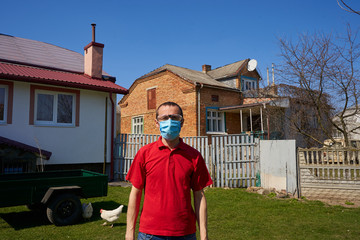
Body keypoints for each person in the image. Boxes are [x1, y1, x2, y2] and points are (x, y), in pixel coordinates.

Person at [125, 101, 213, 240]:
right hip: (150, 234)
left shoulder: (194, 156)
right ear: (156, 123)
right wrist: (129, 233)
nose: (170, 121)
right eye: (164, 118)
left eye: (174, 117)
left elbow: (199, 196)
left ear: (182, 122)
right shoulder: (144, 153)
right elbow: (135, 193)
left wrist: (204, 235)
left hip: (185, 233)